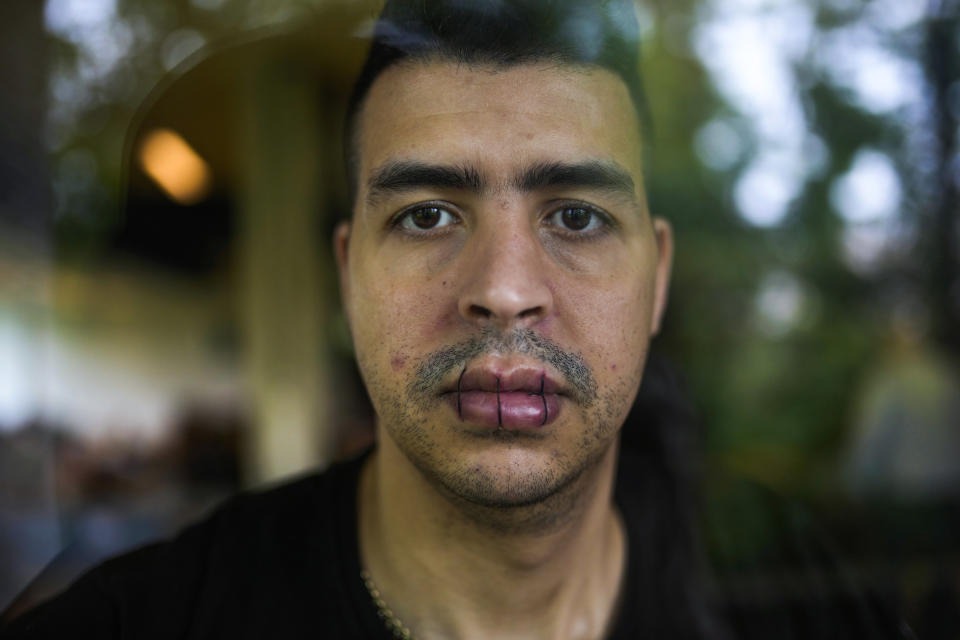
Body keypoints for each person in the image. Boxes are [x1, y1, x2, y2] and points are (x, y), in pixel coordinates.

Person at [0, 0, 909, 638]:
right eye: (427, 214)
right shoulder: (145, 622)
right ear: (350, 272)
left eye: (577, 216)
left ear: (658, 276)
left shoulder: (804, 605)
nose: (505, 290)